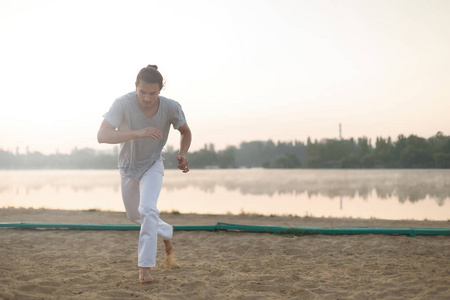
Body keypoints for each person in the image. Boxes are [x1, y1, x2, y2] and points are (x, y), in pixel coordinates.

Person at [97, 65, 192, 284]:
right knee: (135, 215)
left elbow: (185, 131)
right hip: (128, 167)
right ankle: (166, 230)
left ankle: (145, 268)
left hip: (153, 164)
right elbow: (102, 135)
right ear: (136, 87)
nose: (147, 98)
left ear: (160, 91)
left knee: (148, 209)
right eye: (142, 92)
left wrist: (183, 153)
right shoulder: (122, 103)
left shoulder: (171, 107)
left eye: (153, 93)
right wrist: (136, 133)